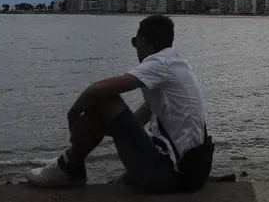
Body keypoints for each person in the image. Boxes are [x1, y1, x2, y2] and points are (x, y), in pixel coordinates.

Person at [26, 14, 212, 194]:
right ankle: (72, 166)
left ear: (145, 41)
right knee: (117, 184)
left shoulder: (160, 63)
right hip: (190, 173)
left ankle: (69, 167)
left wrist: (72, 115)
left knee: (104, 99)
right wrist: (104, 125)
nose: (136, 48)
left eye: (135, 41)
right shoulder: (177, 66)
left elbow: (97, 90)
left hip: (170, 173)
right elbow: (141, 117)